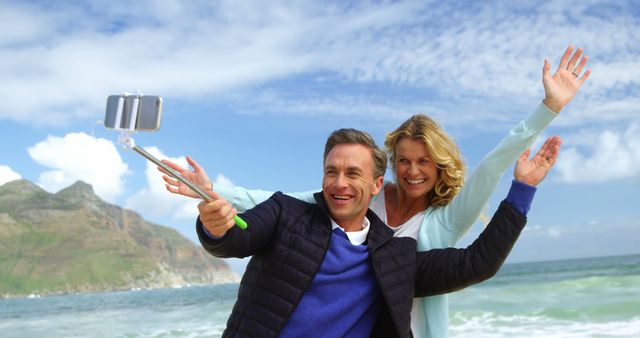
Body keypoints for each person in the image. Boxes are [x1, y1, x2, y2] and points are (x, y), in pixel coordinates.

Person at [159, 45, 589, 337]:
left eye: (424, 162)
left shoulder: (419, 237)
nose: (414, 171)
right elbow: (258, 216)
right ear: (389, 170)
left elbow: (489, 192)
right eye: (404, 160)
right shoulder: (323, 204)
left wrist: (540, 131)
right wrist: (212, 199)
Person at [196, 128, 558, 337]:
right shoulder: (285, 213)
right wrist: (215, 228)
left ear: (375, 185)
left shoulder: (394, 256)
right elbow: (235, 238)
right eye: (331, 171)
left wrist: (523, 189)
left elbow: (478, 262)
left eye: (353, 174)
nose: (340, 183)